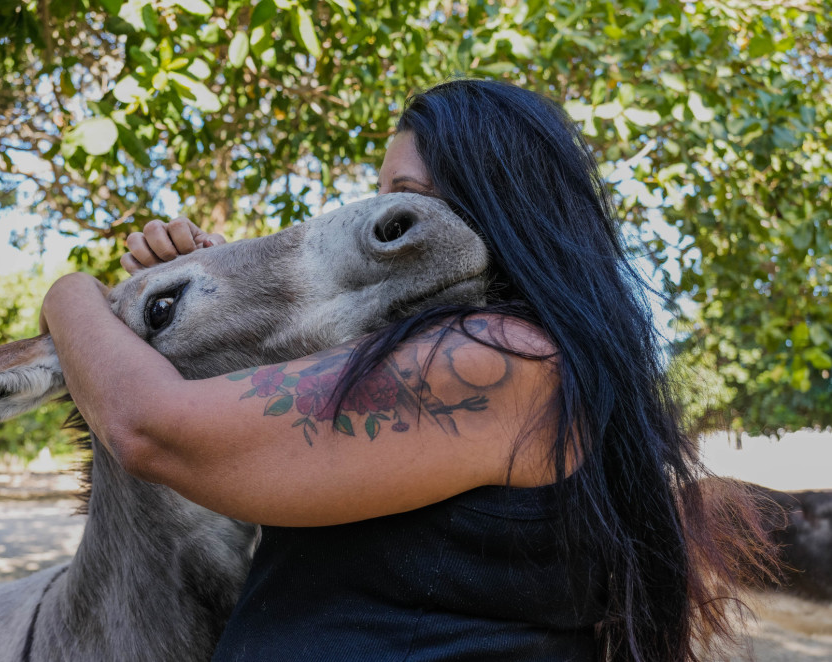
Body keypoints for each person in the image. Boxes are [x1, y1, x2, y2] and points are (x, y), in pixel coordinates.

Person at [40, 80, 773, 661]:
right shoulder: (523, 359)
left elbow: (150, 430)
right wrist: (206, 289)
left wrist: (74, 295)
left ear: (511, 202)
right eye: (388, 193)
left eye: (417, 197)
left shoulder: (500, 360)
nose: (387, 217)